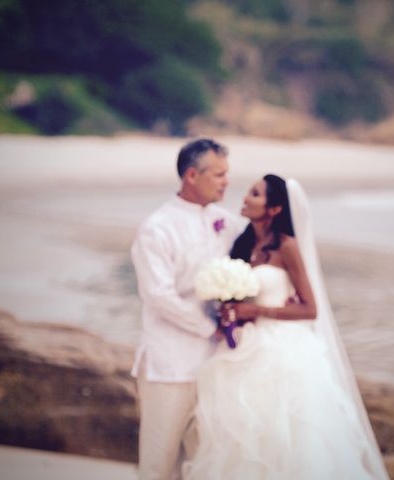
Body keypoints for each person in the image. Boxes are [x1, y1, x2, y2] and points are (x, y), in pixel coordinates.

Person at [183, 174, 389, 480]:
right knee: (239, 430)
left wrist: (256, 309)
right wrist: (230, 311)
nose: (246, 197)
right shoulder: (244, 242)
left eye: (255, 194)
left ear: (275, 209)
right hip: (243, 344)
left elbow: (310, 308)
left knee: (284, 435)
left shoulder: (287, 247)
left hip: (280, 349)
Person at [130, 138, 240, 480]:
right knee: (159, 462)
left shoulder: (226, 222)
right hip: (170, 364)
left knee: (205, 462)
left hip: (216, 365)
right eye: (218, 174)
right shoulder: (157, 228)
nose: (226, 182)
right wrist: (211, 328)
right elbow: (159, 296)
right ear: (192, 175)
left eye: (227, 173)